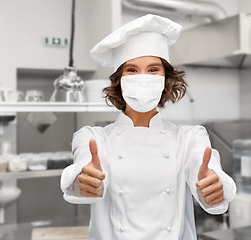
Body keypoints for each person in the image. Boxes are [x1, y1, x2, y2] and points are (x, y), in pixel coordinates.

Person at [60, 14, 236, 240]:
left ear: (166, 79)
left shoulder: (189, 137)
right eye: (131, 70)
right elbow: (83, 167)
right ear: (119, 81)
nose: (143, 78)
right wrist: (81, 182)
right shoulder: (92, 137)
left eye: (153, 70)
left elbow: (205, 169)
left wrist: (213, 189)